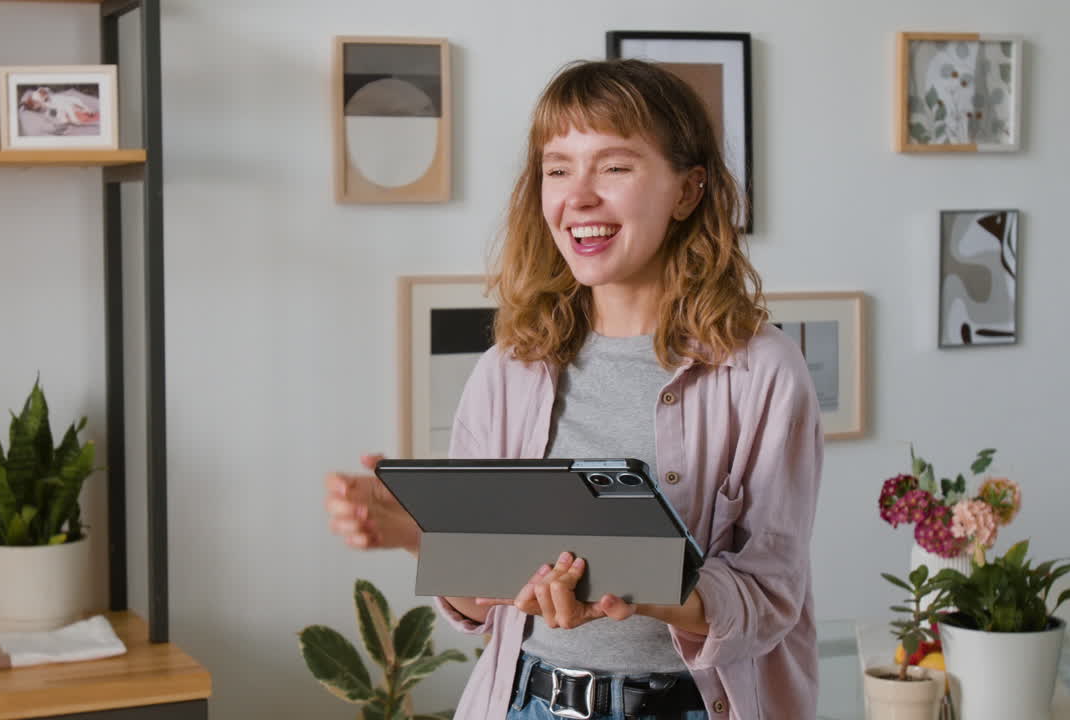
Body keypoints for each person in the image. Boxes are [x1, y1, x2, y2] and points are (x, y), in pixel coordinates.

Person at [325, 58, 823, 720]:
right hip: (527, 700)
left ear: (688, 190)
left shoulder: (763, 371)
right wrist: (421, 537)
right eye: (558, 169)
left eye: (614, 167)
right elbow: (483, 602)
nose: (578, 196)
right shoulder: (508, 367)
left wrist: (642, 588)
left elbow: (771, 598)